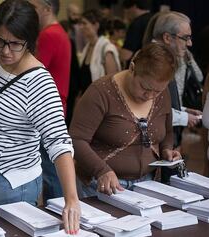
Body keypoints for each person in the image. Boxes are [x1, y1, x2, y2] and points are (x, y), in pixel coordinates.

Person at [0, 0, 80, 234]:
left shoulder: (38, 83)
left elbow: (59, 142)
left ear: (30, 41)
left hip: (8, 183)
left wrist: (72, 199)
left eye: (15, 43)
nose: (5, 51)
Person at [70, 43, 181, 198]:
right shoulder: (100, 92)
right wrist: (101, 170)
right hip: (101, 185)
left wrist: (167, 150)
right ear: (132, 68)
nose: (150, 95)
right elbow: (76, 139)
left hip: (148, 183)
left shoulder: (163, 94)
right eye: (145, 87)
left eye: (157, 91)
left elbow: (167, 132)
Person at [150, 11, 204, 183]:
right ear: (167, 37)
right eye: (185, 38)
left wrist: (183, 110)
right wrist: (184, 117)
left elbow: (161, 105)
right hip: (153, 150)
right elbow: (150, 111)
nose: (189, 43)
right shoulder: (152, 61)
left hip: (164, 146)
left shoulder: (164, 59)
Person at [28, 0, 71, 203]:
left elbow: (29, 72)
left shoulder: (49, 35)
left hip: (46, 110)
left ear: (47, 9)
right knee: (51, 171)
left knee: (50, 173)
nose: (29, 11)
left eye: (33, 7)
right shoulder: (58, 32)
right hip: (55, 106)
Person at [78, 9, 121, 95]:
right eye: (80, 24)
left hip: (100, 100)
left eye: (84, 23)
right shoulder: (88, 47)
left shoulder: (107, 48)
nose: (80, 27)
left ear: (96, 25)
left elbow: (113, 82)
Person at [120, 0, 153, 66]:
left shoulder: (136, 24)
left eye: (126, 11)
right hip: (153, 66)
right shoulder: (156, 19)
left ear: (134, 7)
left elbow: (125, 55)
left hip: (138, 68)